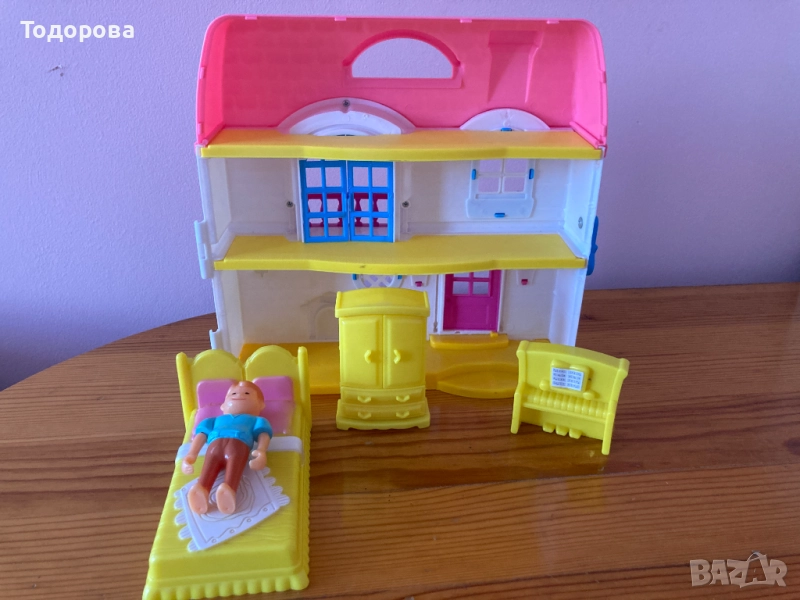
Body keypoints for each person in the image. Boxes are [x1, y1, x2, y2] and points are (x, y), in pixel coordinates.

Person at [181, 380, 272, 515]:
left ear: (260, 405)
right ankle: (201, 489)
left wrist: (261, 451)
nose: (239, 395)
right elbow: (201, 435)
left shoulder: (256, 420)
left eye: (247, 393)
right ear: (223, 406)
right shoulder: (213, 420)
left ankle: (228, 490)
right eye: (233, 394)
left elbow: (263, 434)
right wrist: (191, 454)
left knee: (234, 466)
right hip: (215, 445)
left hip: (239, 445)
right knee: (209, 464)